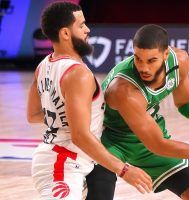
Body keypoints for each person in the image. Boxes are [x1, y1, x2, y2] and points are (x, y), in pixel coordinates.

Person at [86, 24, 189, 200]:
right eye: (138, 59)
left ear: (166, 54)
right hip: (107, 140)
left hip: (146, 135)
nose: (144, 67)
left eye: (151, 60)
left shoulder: (180, 61)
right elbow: (158, 145)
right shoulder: (124, 91)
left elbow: (186, 103)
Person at [26, 2, 152, 199]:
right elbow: (79, 136)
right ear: (66, 34)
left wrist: (66, 117)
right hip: (63, 164)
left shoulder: (43, 66)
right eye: (82, 25)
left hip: (67, 159)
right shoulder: (78, 74)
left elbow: (33, 115)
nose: (88, 29)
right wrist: (124, 170)